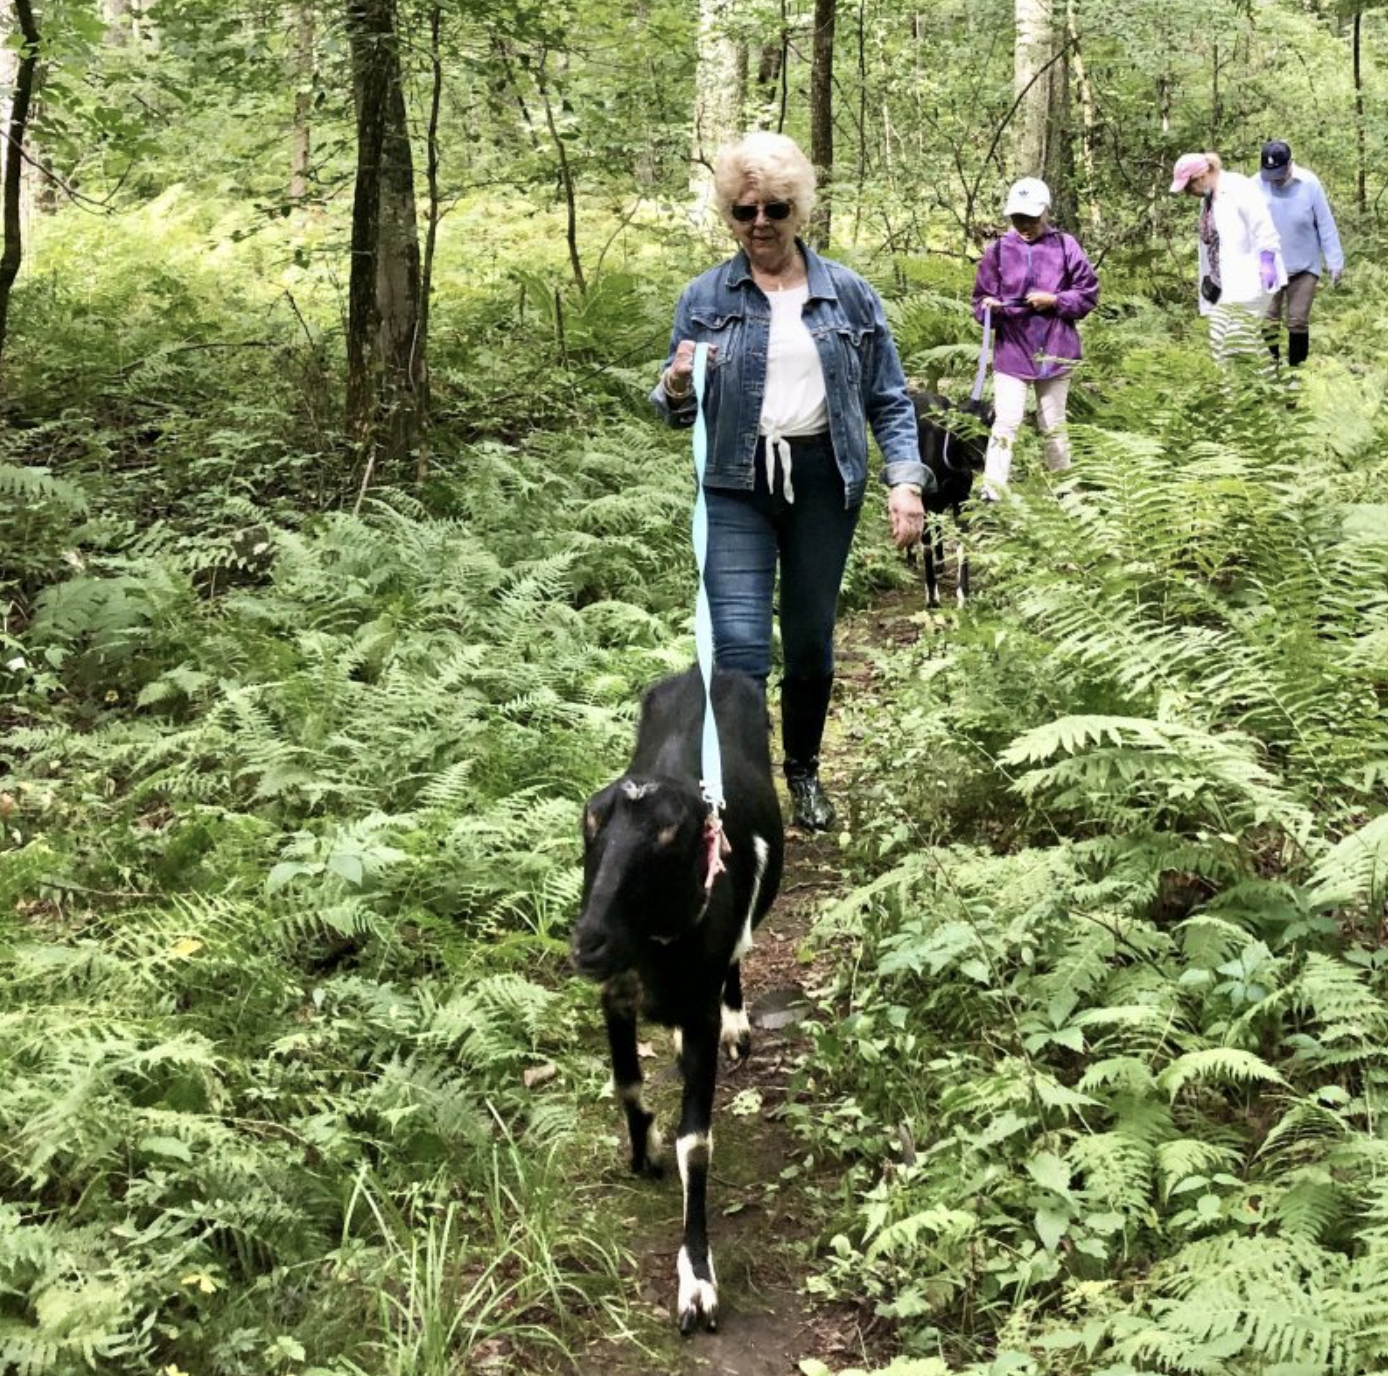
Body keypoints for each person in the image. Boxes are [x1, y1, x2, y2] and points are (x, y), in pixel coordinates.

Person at [650, 131, 929, 831]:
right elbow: (675, 409)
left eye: (775, 209)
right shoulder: (704, 296)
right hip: (735, 485)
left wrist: (905, 482)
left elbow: (889, 398)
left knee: (808, 641)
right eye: (744, 211)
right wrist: (677, 382)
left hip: (823, 483)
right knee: (739, 647)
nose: (760, 224)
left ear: (798, 210)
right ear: (729, 216)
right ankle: (744, 794)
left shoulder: (849, 296)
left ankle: (803, 771)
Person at [970, 177, 1099, 498]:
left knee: (1053, 425)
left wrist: (1055, 300)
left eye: (1031, 217)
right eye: (1018, 218)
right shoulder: (998, 251)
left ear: (1046, 212)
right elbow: (980, 301)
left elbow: (1088, 294)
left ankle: (1065, 492)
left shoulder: (1065, 246)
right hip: (1012, 351)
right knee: (1006, 421)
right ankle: (992, 493)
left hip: (1056, 350)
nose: (1025, 225)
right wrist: (991, 307)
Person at [1170, 152, 1286, 371]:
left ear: (1202, 175)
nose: (1188, 193)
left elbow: (1264, 227)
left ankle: (1258, 389)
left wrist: (1267, 260)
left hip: (1251, 278)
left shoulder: (1238, 187)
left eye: (1189, 186)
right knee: (1219, 343)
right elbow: (1211, 244)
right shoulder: (1208, 199)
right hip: (1221, 284)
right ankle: (1237, 390)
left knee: (1239, 344)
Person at [1256, 140, 1344, 370]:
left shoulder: (1310, 184)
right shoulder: (1254, 185)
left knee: (1297, 320)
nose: (1274, 179)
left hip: (1304, 266)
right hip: (1268, 264)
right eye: (1269, 174)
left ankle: (1297, 373)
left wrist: (1334, 262)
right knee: (1269, 318)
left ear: (1289, 165)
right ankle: (1272, 371)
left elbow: (1325, 224)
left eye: (1278, 173)